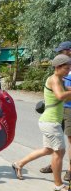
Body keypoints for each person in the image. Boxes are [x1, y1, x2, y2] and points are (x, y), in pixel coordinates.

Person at [12, 54, 71, 191]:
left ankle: (18, 164)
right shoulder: (54, 79)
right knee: (59, 151)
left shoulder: (60, 79)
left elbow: (65, 93)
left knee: (48, 150)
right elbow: (60, 96)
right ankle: (58, 184)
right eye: (66, 68)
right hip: (50, 122)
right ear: (57, 67)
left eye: (69, 68)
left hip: (49, 121)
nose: (68, 71)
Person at [39, 41, 71, 182]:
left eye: (62, 51)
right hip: (55, 114)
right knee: (58, 148)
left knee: (62, 144)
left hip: (62, 113)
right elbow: (59, 93)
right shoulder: (58, 74)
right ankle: (56, 175)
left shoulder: (62, 72)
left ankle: (69, 170)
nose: (67, 71)